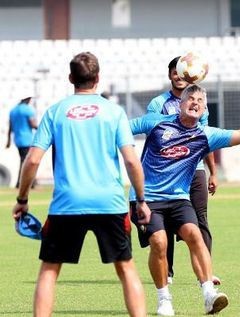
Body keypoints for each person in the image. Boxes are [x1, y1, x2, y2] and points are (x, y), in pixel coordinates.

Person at [129, 84, 240, 316]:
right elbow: (120, 129)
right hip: (147, 198)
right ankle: (164, 299)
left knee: (195, 235)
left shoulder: (205, 135)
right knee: (159, 242)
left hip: (178, 199)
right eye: (191, 98)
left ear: (204, 108)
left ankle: (208, 295)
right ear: (181, 103)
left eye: (200, 101)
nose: (195, 103)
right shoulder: (156, 122)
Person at [11, 52, 152, 317]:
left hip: (67, 203)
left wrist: (22, 200)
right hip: (109, 202)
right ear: (98, 78)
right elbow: (132, 162)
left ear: (70, 78)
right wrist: (141, 201)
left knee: (50, 270)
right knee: (126, 267)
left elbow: (31, 161)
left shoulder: (56, 112)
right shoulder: (114, 112)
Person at [146, 56, 219, 285]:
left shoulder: (199, 104)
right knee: (165, 221)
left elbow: (206, 139)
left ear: (192, 75)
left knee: (200, 220)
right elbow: (154, 138)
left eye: (183, 72)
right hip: (167, 171)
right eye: (175, 72)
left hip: (195, 169)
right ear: (170, 75)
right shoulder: (158, 104)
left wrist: (212, 172)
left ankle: (205, 273)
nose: (179, 76)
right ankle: (166, 272)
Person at [6, 95, 38, 188]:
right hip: (27, 139)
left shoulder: (13, 110)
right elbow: (32, 124)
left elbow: (10, 127)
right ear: (27, 99)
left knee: (24, 160)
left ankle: (25, 183)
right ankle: (25, 183)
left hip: (18, 140)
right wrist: (43, 129)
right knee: (27, 161)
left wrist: (8, 140)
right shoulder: (27, 110)